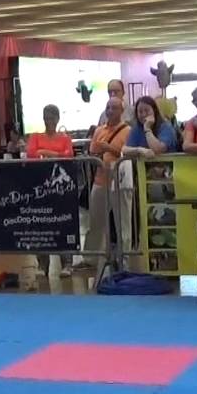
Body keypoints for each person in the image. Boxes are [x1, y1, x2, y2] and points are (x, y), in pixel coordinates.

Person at [80, 98, 132, 271]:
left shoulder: (128, 131)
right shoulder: (99, 130)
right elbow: (93, 153)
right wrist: (99, 151)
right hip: (100, 181)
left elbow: (127, 153)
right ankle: (90, 258)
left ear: (121, 110)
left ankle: (125, 261)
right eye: (108, 107)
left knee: (122, 222)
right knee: (95, 222)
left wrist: (109, 148)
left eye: (114, 108)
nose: (110, 110)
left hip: (120, 182)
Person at [26, 104, 76, 278]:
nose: (49, 121)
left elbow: (68, 155)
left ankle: (67, 263)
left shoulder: (65, 138)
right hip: (40, 187)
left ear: (57, 119)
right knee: (41, 223)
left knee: (63, 223)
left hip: (61, 190)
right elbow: (31, 154)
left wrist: (45, 152)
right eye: (46, 117)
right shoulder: (35, 136)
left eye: (52, 118)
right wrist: (55, 153)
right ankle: (42, 265)